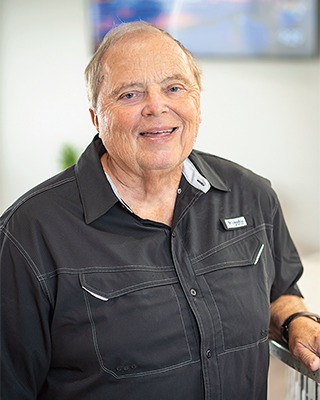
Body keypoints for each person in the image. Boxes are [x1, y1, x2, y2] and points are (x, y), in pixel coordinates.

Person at [0, 21, 319, 400]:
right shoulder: (29, 234)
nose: (156, 107)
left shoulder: (252, 196)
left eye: (174, 88)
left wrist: (297, 320)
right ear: (95, 116)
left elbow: (280, 290)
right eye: (130, 94)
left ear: (197, 101)